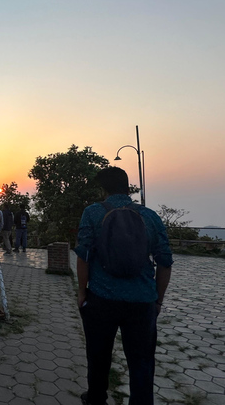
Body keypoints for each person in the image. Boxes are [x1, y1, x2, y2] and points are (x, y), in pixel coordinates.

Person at [75, 167, 173, 405]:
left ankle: (96, 398)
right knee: (141, 362)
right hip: (141, 302)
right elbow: (165, 262)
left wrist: (82, 292)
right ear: (127, 188)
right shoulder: (150, 216)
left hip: (101, 298)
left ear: (103, 189)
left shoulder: (93, 212)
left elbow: (83, 255)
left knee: (98, 355)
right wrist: (157, 300)